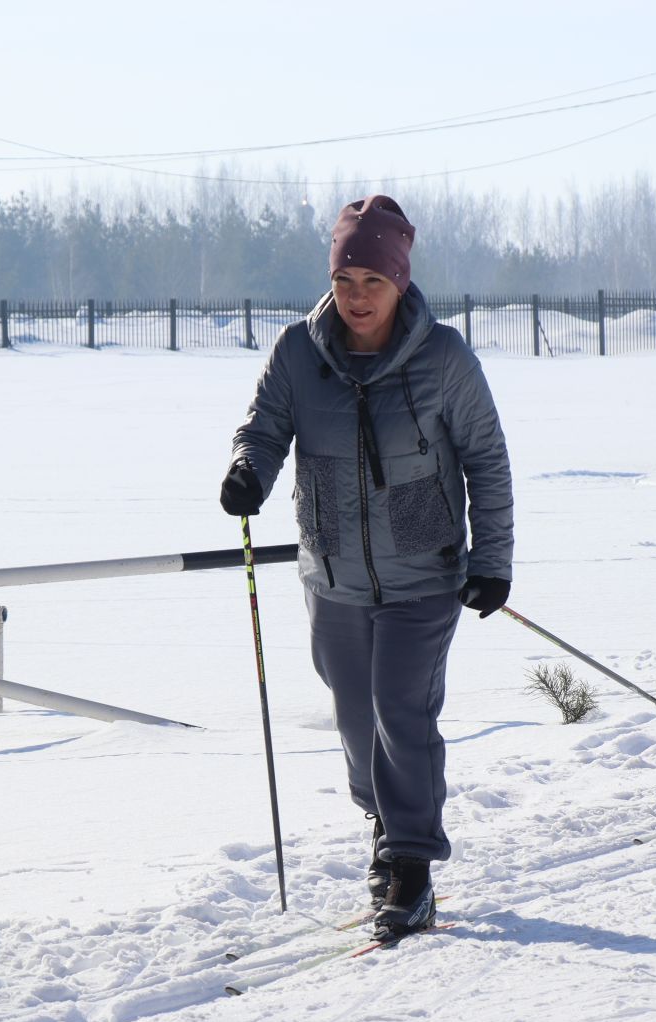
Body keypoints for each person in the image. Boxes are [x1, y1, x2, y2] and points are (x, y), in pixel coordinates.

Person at [219, 195, 514, 944]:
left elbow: (486, 458)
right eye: (346, 279)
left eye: (372, 282)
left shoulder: (443, 358)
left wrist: (493, 559)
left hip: (424, 574)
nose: (357, 297)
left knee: (400, 713)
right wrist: (248, 471)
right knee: (356, 721)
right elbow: (263, 427)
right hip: (334, 573)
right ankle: (385, 826)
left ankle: (411, 868)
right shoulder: (297, 352)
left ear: (400, 282)